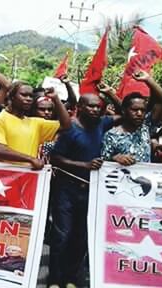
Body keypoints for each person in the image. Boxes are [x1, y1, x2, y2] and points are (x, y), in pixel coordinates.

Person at [48, 93, 120, 288]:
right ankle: (54, 279)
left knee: (81, 237)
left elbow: (125, 113)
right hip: (66, 190)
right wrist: (84, 165)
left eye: (99, 106)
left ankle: (71, 278)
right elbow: (54, 158)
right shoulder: (70, 129)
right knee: (62, 236)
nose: (96, 110)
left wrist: (110, 93)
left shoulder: (102, 124)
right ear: (80, 106)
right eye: (91, 106)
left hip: (90, 191)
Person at [0, 84, 71, 169]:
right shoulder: (0, 118)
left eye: (31, 96)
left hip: (28, 178)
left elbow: (66, 125)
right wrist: (30, 159)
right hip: (4, 176)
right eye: (24, 95)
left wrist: (55, 98)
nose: (28, 99)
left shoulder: (35, 122)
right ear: (12, 97)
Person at [101, 71, 162, 165]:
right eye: (134, 110)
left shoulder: (146, 127)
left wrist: (148, 79)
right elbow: (103, 164)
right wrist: (115, 158)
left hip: (145, 178)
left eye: (143, 110)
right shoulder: (111, 136)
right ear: (124, 111)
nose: (139, 113)